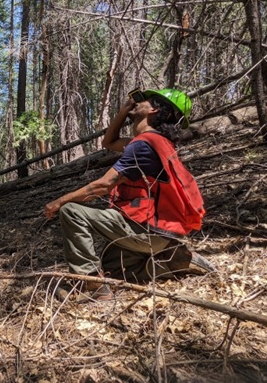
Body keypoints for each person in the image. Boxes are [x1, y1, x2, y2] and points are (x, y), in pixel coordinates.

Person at [44, 88, 215, 301]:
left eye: (145, 101)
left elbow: (104, 185)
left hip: (148, 232)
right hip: (161, 233)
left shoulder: (144, 146)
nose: (137, 103)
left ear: (154, 109)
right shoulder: (154, 142)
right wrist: (124, 111)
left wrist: (59, 201)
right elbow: (108, 142)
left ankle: (93, 287)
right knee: (115, 270)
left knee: (71, 212)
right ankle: (176, 261)